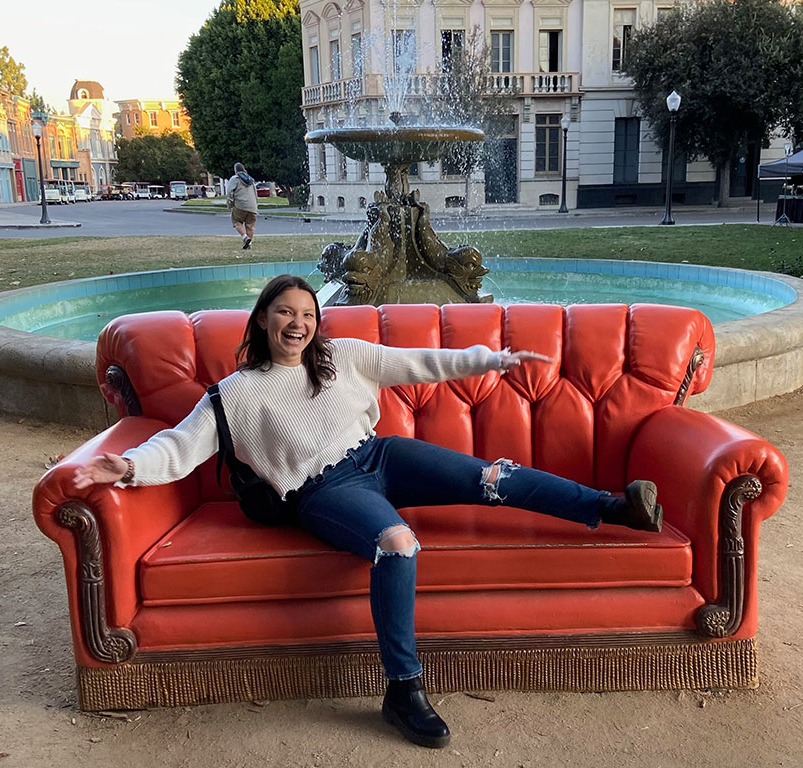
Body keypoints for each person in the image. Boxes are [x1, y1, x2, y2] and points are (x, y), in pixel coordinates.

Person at [73, 274, 663, 749]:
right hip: (322, 489)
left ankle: (614, 508)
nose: (297, 323)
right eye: (284, 312)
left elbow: (419, 364)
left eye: (307, 314)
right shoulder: (234, 394)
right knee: (398, 542)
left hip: (379, 455)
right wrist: (125, 467)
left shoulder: (345, 357)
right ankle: (403, 689)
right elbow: (175, 446)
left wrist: (493, 359)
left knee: (491, 476)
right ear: (262, 319)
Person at [226, 162, 257, 250]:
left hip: (240, 205)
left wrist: (230, 204)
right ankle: (249, 244)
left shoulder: (235, 179)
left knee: (236, 221)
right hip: (252, 206)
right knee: (250, 226)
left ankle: (245, 237)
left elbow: (230, 192)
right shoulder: (251, 180)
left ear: (235, 170)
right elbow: (255, 194)